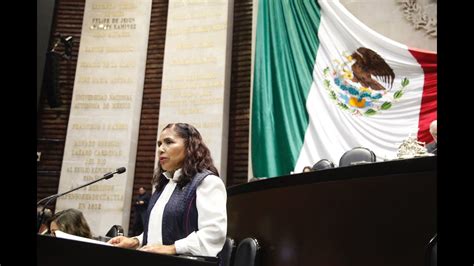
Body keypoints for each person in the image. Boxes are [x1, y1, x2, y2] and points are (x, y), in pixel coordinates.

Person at [108, 123, 227, 257]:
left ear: (190, 146)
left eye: (169, 142)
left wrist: (172, 248)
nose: (161, 149)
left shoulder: (207, 182)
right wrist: (136, 241)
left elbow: (213, 233)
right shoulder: (164, 184)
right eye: (159, 144)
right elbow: (159, 231)